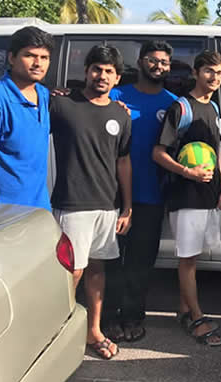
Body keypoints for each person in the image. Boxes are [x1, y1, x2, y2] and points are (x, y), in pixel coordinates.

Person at [50, 45, 132, 360]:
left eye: (109, 71)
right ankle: (57, 333)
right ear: (86, 71)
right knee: (71, 272)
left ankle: (92, 330)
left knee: (97, 270)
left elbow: (123, 162)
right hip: (72, 204)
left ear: (117, 78)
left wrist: (126, 207)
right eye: (97, 68)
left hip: (107, 206)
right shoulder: (61, 104)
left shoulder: (120, 115)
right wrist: (58, 92)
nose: (102, 75)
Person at [102, 41, 178, 343]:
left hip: (151, 196)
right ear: (140, 62)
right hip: (113, 195)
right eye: (152, 60)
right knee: (112, 261)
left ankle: (133, 317)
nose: (158, 66)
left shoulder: (173, 103)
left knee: (141, 264)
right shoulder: (117, 96)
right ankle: (109, 319)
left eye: (164, 62)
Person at [152, 50, 221, 347]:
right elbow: (158, 153)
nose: (214, 78)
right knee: (187, 260)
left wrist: (220, 188)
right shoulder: (180, 108)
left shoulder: (213, 109)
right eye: (209, 71)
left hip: (207, 195)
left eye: (219, 73)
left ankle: (184, 311)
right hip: (185, 196)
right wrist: (188, 172)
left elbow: (215, 152)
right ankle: (196, 317)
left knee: (193, 257)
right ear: (196, 73)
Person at [0, 26, 54, 209]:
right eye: (30, 55)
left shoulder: (44, 95)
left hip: (38, 211)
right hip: (3, 214)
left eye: (44, 57)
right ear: (12, 58)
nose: (38, 63)